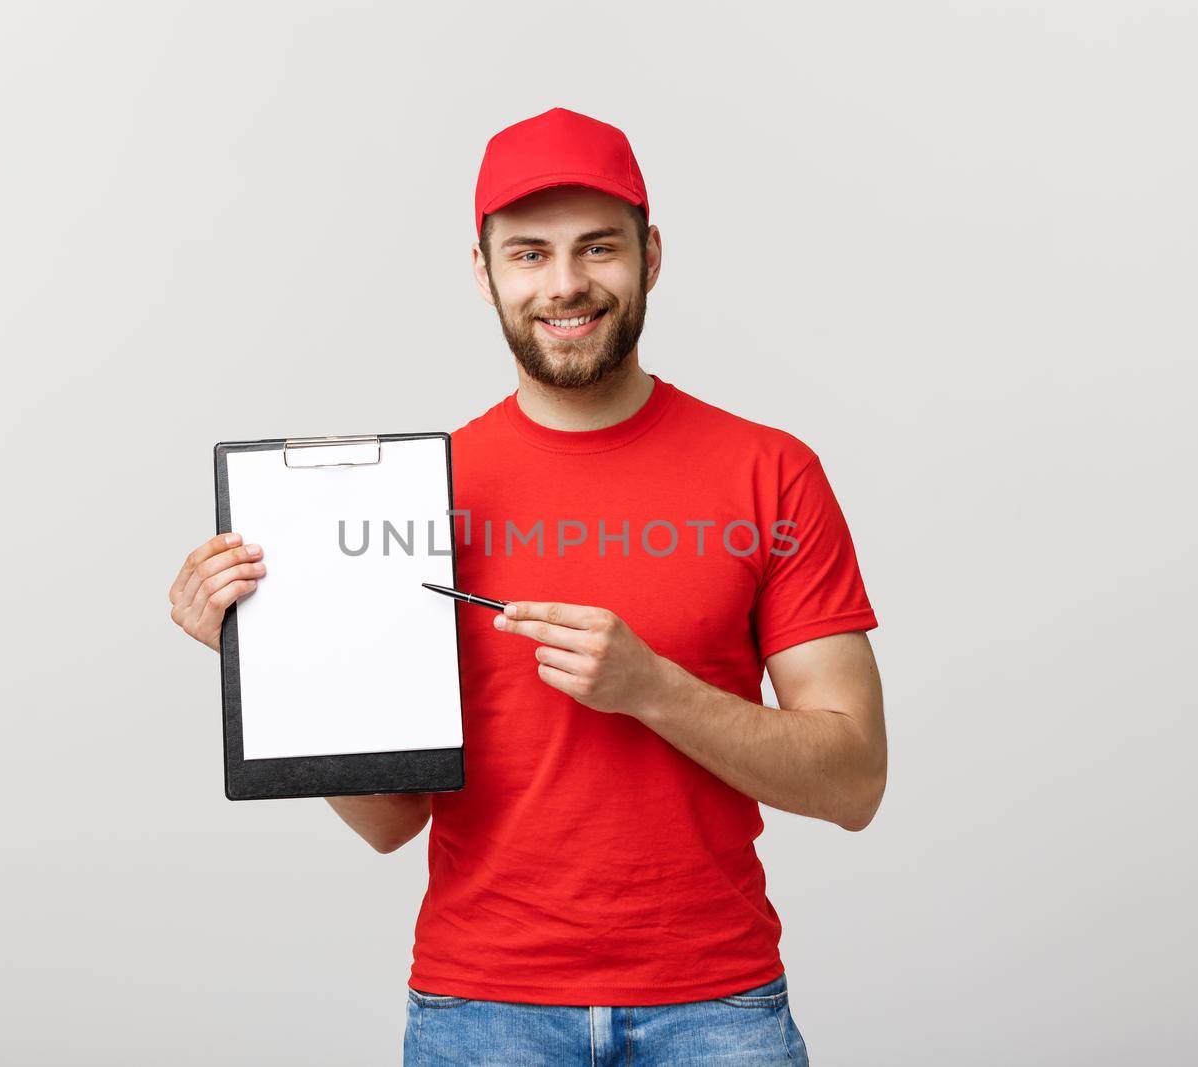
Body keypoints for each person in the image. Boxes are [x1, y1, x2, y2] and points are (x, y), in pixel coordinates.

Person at [168, 107, 885, 1066]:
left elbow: (853, 780)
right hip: (482, 1012)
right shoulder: (421, 496)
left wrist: (653, 688)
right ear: (484, 272)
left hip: (716, 1006)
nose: (567, 284)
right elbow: (392, 820)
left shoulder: (770, 471)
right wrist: (270, 653)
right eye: (529, 254)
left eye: (599, 247)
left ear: (652, 254)